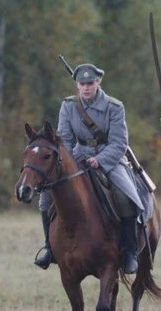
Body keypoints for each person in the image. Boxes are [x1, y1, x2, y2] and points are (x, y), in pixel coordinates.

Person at [34, 63, 144, 274]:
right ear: (77, 85)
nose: (86, 87)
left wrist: (100, 160)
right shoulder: (68, 106)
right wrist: (69, 163)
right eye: (82, 84)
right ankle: (49, 248)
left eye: (90, 83)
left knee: (125, 196)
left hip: (110, 158)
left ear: (98, 82)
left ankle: (130, 251)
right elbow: (64, 139)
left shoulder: (114, 107)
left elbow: (119, 142)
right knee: (47, 195)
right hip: (77, 156)